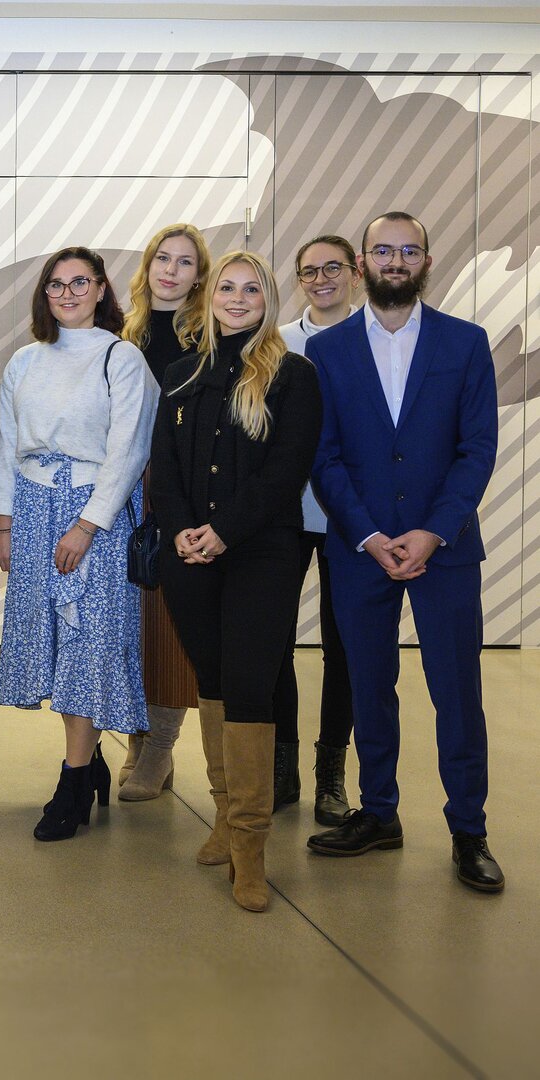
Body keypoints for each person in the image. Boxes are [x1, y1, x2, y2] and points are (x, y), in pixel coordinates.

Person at [305, 212, 504, 894]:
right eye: (383, 250)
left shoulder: (466, 344)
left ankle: (468, 829)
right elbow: (323, 456)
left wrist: (433, 531)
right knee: (369, 687)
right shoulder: (326, 354)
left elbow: (477, 450)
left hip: (443, 550)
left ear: (426, 259)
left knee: (457, 693)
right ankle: (379, 813)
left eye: (408, 250)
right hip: (359, 549)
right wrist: (366, 532)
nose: (396, 260)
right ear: (362, 263)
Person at [150, 251, 322, 912]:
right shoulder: (180, 374)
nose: (239, 297)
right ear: (210, 295)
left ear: (268, 299)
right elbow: (163, 465)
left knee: (251, 684)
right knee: (213, 681)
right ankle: (224, 817)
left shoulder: (293, 376)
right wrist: (187, 531)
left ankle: (250, 847)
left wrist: (224, 532)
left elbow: (287, 471)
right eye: (228, 286)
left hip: (263, 553)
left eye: (253, 289)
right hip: (188, 551)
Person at [0, 246, 157, 842]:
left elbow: (129, 450)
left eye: (79, 282)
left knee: (86, 647)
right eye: (56, 284)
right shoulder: (24, 362)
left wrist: (87, 525)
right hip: (35, 510)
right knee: (55, 644)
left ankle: (71, 781)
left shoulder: (122, 357)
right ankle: (88, 767)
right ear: (44, 293)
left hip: (95, 516)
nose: (67, 293)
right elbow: (7, 445)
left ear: (100, 288)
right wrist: (4, 524)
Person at [116, 224, 210, 801]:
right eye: (162, 259)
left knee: (171, 625)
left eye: (185, 262)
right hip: (123, 492)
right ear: (148, 266)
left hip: (179, 493)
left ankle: (159, 749)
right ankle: (135, 736)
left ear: (200, 275)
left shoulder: (207, 336)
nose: (171, 271)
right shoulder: (122, 333)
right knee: (131, 623)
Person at [274, 234, 361, 823]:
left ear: (355, 272)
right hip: (282, 516)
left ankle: (331, 774)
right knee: (273, 643)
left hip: (347, 519)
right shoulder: (277, 344)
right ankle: (282, 770)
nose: (322, 278)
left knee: (344, 649)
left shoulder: (370, 338)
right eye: (310, 270)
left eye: (334, 268)